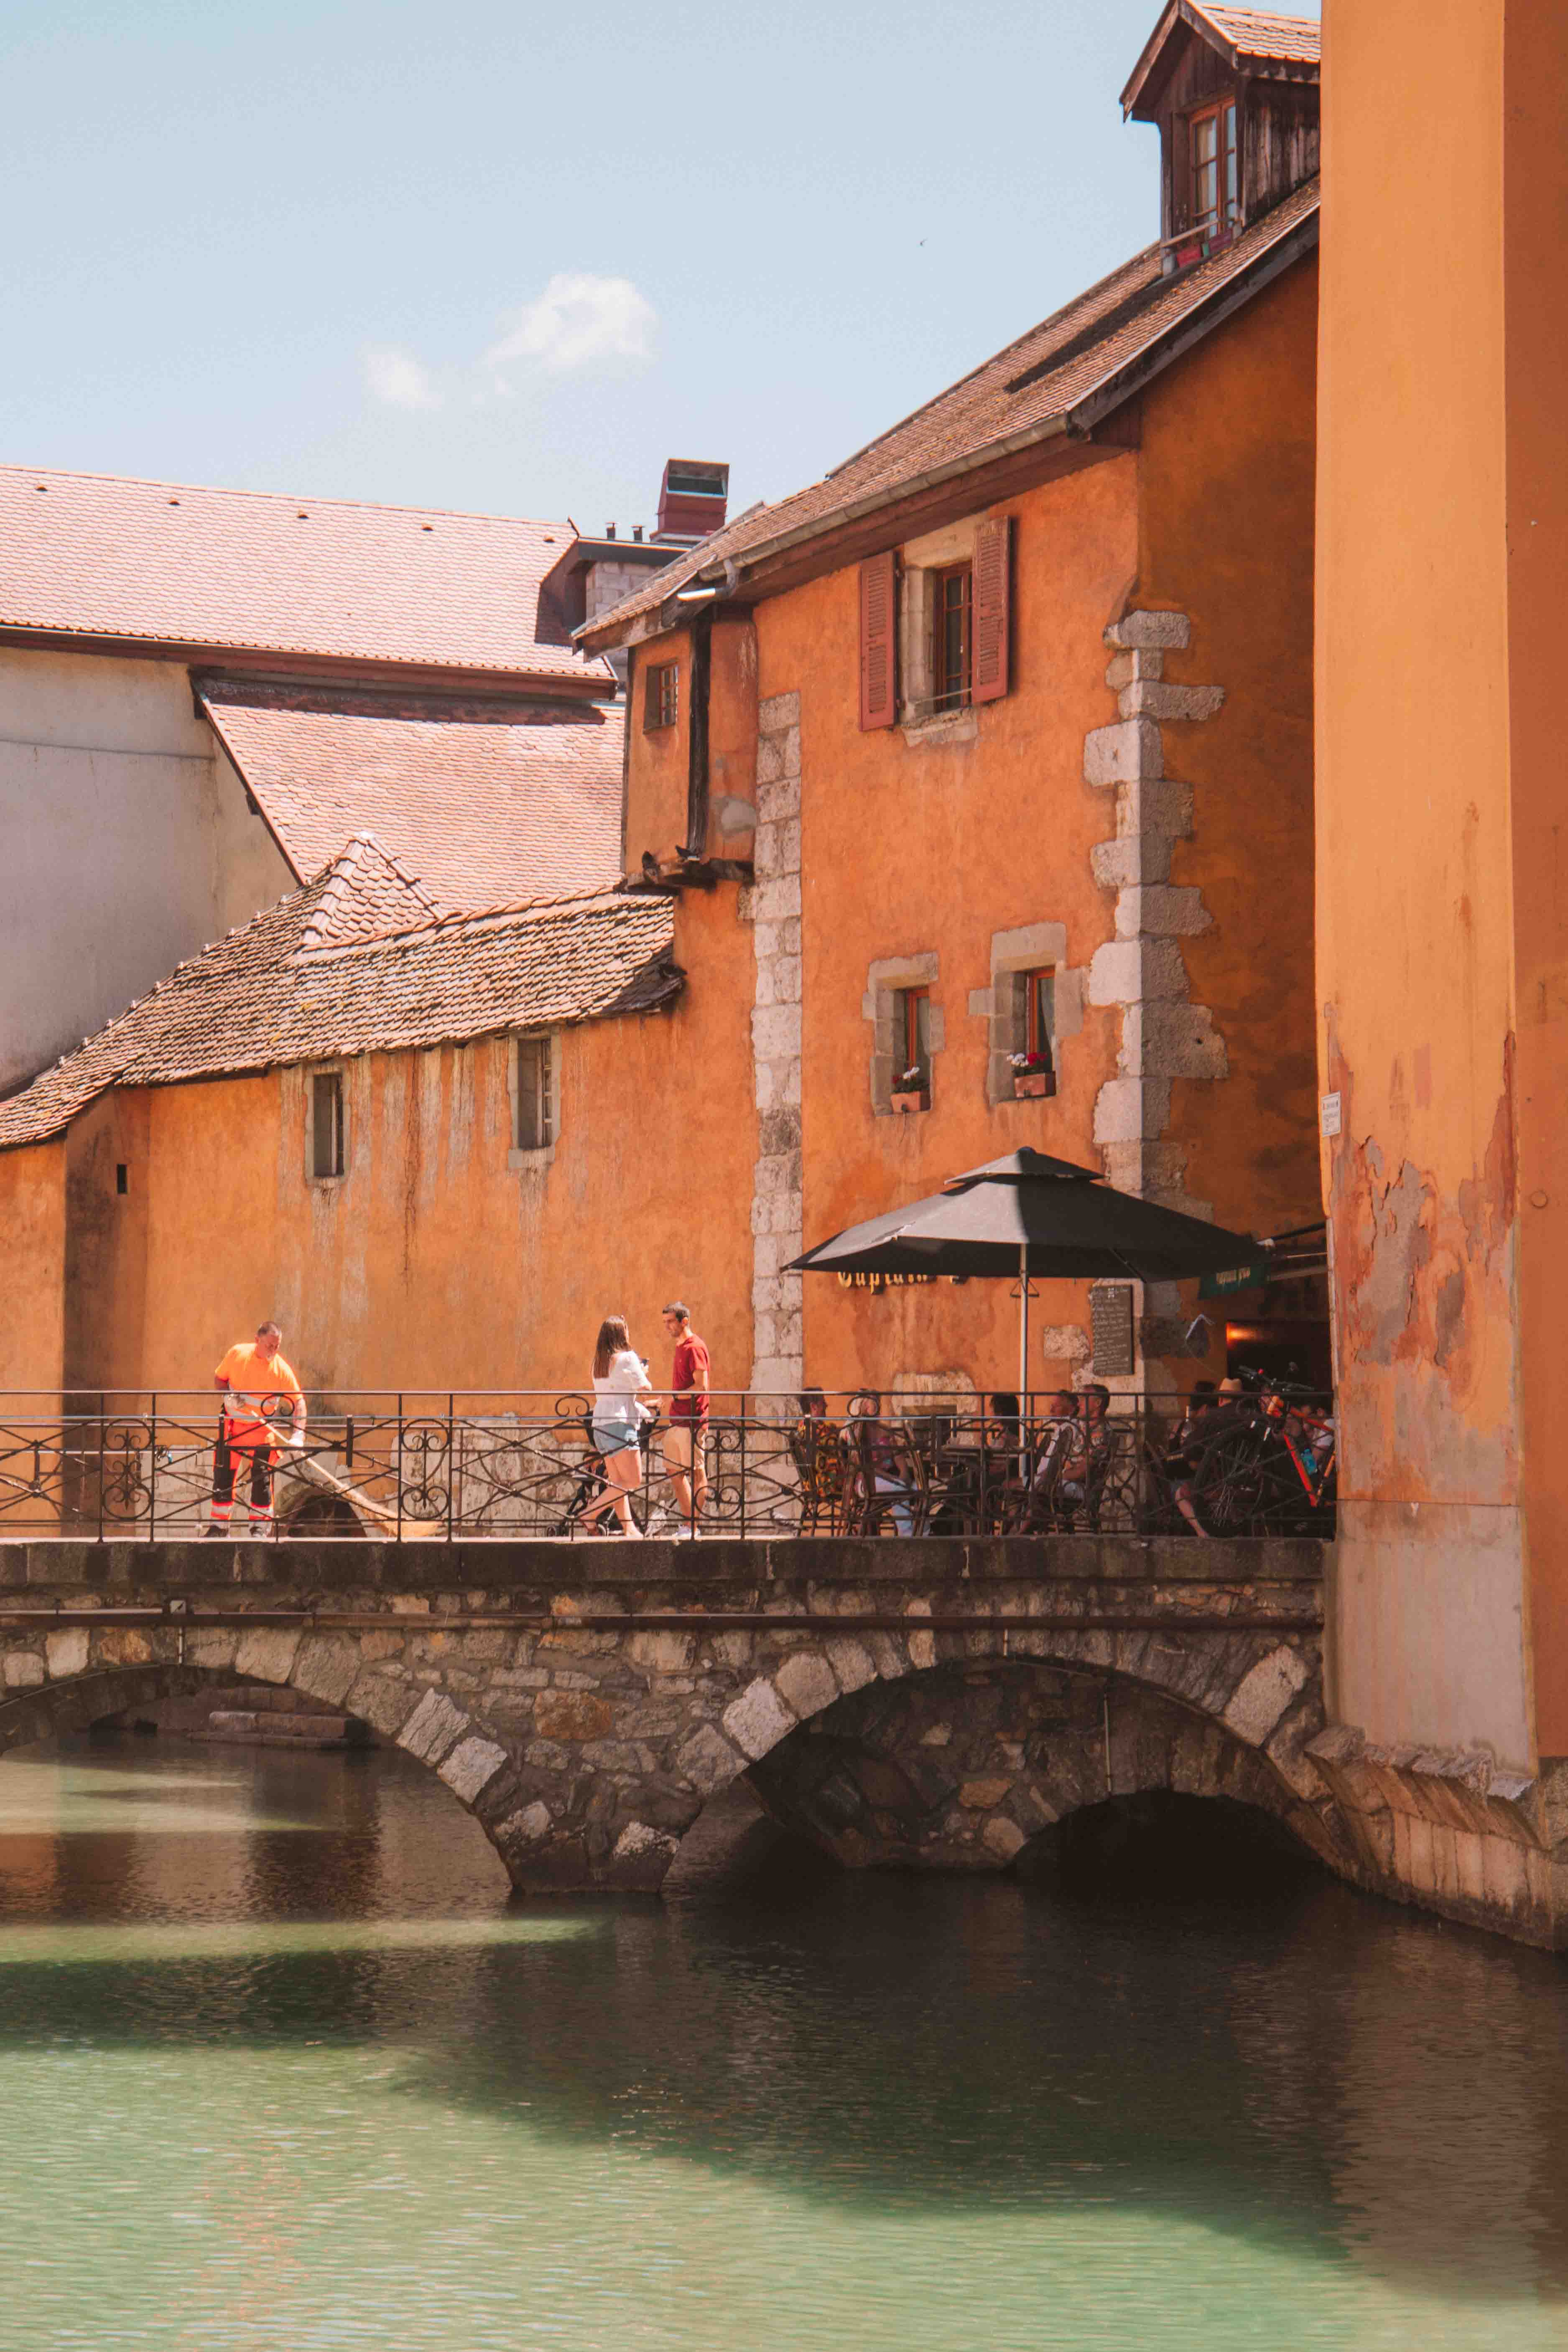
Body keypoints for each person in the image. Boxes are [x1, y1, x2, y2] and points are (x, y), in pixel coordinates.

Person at [206, 1319, 305, 1537]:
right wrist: (228, 1396)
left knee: (261, 1481)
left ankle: (260, 1529)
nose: (274, 1351)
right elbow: (219, 1379)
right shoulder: (237, 1354)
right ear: (257, 1340)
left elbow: (299, 1403)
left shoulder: (281, 1370)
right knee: (222, 1477)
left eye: (277, 1346)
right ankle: (219, 1528)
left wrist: (299, 1435)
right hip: (232, 1430)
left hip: (262, 1434)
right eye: (270, 1346)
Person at [581, 1315, 653, 1537]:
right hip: (620, 1424)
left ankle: (629, 1528)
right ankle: (590, 1513)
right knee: (632, 1480)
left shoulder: (598, 1363)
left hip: (600, 1424)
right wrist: (644, 1373)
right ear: (622, 1334)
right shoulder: (628, 1358)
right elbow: (646, 1388)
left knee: (617, 1482)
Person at [660, 1301, 711, 1531]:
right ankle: (690, 1524)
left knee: (697, 1472)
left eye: (671, 1321)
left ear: (685, 1321)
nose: (667, 1326)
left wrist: (674, 1397)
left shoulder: (695, 1347)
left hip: (692, 1421)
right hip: (677, 1421)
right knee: (674, 1471)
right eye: (666, 1322)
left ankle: (693, 1527)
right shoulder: (681, 1347)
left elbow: (701, 1387)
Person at [846, 1390, 919, 1537]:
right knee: (900, 1491)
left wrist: (904, 1474)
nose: (878, 1404)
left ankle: (924, 1533)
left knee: (920, 1489)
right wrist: (893, 1479)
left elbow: (898, 1456)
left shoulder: (886, 1430)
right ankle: (907, 1535)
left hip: (892, 1478)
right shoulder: (858, 1432)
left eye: (878, 1400)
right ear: (864, 1405)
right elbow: (863, 1466)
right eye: (874, 1401)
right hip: (867, 1481)